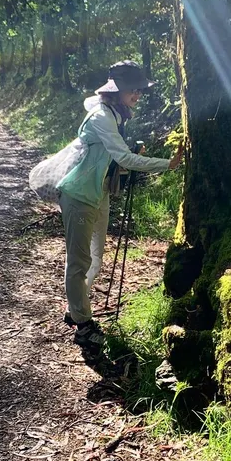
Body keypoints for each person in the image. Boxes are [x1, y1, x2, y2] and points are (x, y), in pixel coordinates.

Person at [57, 60, 183, 351]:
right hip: (78, 194)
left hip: (98, 193)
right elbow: (124, 159)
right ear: (115, 91)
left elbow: (114, 156)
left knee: (95, 258)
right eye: (132, 89)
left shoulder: (116, 114)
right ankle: (84, 326)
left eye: (139, 89)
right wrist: (168, 164)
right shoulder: (102, 116)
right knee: (79, 263)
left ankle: (76, 308)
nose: (137, 94)